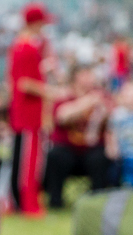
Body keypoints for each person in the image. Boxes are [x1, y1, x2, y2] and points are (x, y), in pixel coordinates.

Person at [7, 3, 56, 217]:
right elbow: (25, 83)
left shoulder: (22, 45)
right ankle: (28, 205)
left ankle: (22, 203)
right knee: (29, 162)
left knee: (23, 159)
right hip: (29, 113)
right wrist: (51, 92)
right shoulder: (27, 48)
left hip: (24, 112)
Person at [43, 65, 114, 209]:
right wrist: (87, 101)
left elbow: (113, 116)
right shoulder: (64, 97)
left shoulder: (102, 96)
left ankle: (96, 204)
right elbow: (62, 116)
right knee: (56, 156)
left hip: (92, 151)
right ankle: (55, 201)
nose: (90, 78)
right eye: (85, 74)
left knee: (99, 158)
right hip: (68, 150)